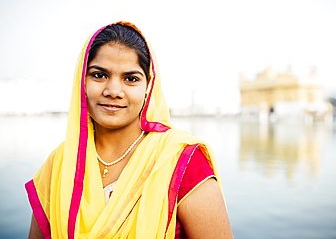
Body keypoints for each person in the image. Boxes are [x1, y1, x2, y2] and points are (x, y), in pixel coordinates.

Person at [26, 21, 233, 239]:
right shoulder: (60, 162)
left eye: (131, 79)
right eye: (99, 75)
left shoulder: (181, 160)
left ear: (148, 87)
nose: (113, 90)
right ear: (82, 81)